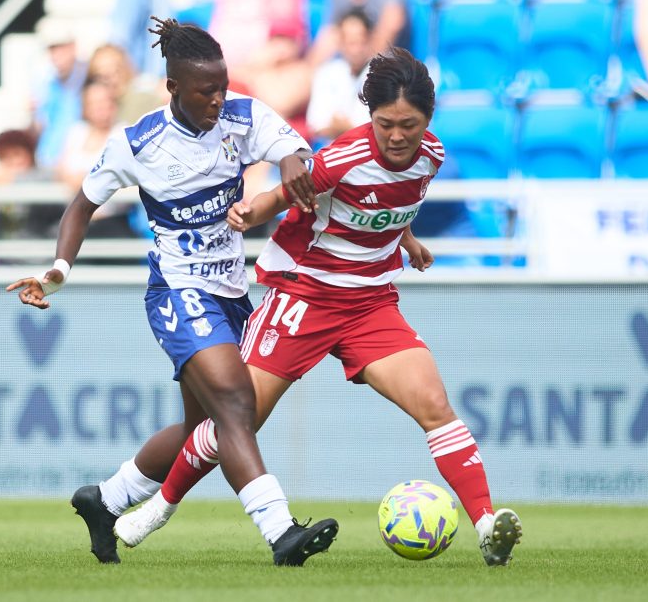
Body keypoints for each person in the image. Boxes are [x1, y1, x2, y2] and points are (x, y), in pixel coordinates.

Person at [113, 48, 524, 568]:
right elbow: (285, 195)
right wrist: (249, 211)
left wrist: (408, 241)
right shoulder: (342, 157)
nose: (397, 137)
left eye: (410, 125)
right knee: (237, 420)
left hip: (371, 304)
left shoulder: (432, 157)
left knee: (435, 406)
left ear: (429, 121)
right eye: (385, 124)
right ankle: (155, 511)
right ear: (367, 117)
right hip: (302, 298)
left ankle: (487, 526)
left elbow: (389, 203)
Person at [6, 17, 337, 567]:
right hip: (178, 292)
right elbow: (81, 206)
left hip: (233, 292)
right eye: (205, 91)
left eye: (222, 87)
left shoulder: (243, 117)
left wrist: (295, 164)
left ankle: (105, 499)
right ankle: (281, 532)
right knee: (236, 403)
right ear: (173, 88)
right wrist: (58, 270)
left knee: (202, 428)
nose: (217, 100)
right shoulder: (137, 142)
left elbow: (294, 152)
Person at [54, 80, 135, 239]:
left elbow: (122, 175)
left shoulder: (124, 133)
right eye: (94, 102)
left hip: (112, 223)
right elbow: (60, 170)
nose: (100, 107)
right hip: (77, 220)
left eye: (105, 101)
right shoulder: (76, 132)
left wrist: (82, 179)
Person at [306, 8, 373, 144]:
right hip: (330, 152)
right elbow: (316, 125)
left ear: (369, 39)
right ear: (340, 42)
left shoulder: (382, 74)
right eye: (350, 42)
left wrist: (342, 127)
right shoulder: (326, 72)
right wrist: (352, 129)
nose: (355, 50)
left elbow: (377, 130)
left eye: (360, 41)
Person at [31, 19, 88, 168]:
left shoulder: (88, 78)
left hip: (77, 166)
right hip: (48, 161)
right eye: (52, 49)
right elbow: (40, 126)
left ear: (73, 46)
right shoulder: (45, 84)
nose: (56, 54)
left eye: (61, 48)